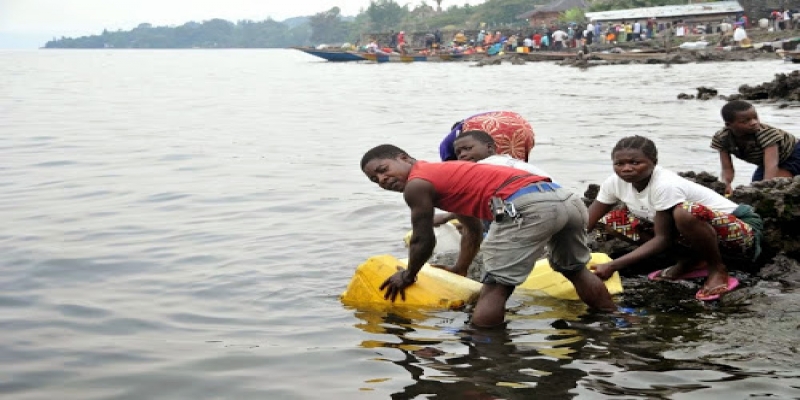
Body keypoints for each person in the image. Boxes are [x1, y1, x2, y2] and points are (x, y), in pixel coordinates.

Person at [361, 144, 617, 327]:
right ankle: (614, 319)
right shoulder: (447, 173)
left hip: (529, 205)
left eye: (384, 169)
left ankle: (486, 357)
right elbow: (471, 229)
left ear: (404, 157)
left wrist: (408, 275)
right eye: (375, 179)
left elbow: (422, 239)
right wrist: (460, 268)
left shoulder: (417, 184)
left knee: (495, 286)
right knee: (573, 269)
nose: (383, 179)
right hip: (566, 200)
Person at [587, 136, 762, 301]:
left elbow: (662, 239)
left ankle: (717, 269)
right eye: (619, 163)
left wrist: (613, 265)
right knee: (613, 221)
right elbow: (587, 222)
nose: (626, 168)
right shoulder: (614, 183)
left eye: (635, 162)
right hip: (691, 234)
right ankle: (690, 261)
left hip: (740, 232)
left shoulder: (664, 184)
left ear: (654, 162)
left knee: (684, 212)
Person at [434, 130, 554, 226]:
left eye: (468, 149)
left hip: (538, 208)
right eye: (459, 153)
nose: (463, 154)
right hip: (562, 201)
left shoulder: (483, 168)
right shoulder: (510, 161)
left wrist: (446, 217)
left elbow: (471, 202)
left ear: (490, 148)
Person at [712, 100, 800, 194]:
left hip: (794, 154)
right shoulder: (723, 138)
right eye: (745, 121)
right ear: (728, 125)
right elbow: (726, 168)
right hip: (766, 162)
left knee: (778, 187)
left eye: (755, 117)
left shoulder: (766, 134)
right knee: (754, 187)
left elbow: (771, 166)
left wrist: (765, 190)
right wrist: (726, 184)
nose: (754, 122)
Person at [438, 111, 535, 162]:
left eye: (467, 148)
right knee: (514, 165)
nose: (462, 154)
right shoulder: (465, 123)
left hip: (488, 125)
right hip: (519, 123)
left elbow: (451, 169)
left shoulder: (446, 146)